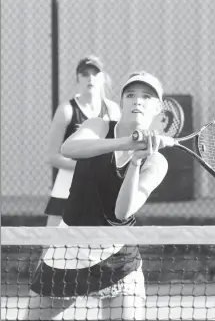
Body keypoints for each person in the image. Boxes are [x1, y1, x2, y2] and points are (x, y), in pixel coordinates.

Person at [24, 71, 168, 320]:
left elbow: (122, 212)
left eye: (146, 96)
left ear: (158, 108)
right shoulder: (98, 126)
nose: (137, 101)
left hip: (117, 259)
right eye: (131, 95)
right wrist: (125, 143)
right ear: (121, 102)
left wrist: (135, 162)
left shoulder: (156, 161)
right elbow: (69, 148)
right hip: (68, 250)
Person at [45, 55, 121, 226]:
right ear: (77, 78)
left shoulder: (113, 110)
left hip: (102, 182)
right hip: (68, 180)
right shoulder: (66, 110)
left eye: (95, 74)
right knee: (52, 238)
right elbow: (52, 156)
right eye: (85, 74)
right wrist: (83, 167)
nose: (90, 78)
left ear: (102, 78)